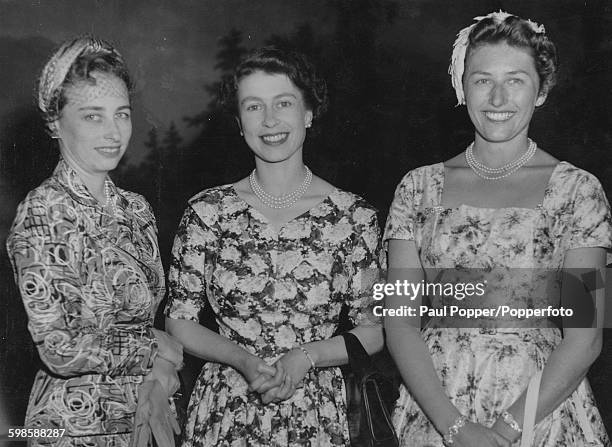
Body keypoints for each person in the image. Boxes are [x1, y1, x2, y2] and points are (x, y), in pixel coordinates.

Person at [384, 11, 611, 447]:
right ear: (461, 86)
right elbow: (400, 326)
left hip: (541, 414)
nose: (498, 97)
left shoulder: (578, 191)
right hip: (435, 412)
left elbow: (585, 338)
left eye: (517, 80)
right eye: (483, 80)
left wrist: (506, 431)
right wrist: (455, 428)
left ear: (541, 90)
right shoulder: (417, 188)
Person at [165, 47, 384, 446]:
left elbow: (373, 331)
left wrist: (306, 357)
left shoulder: (355, 217)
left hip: (315, 413)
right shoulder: (207, 211)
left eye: (283, 103)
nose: (269, 121)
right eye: (253, 107)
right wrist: (244, 361)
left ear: (308, 113)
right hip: (225, 409)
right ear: (238, 122)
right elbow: (179, 320)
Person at [6, 36, 183, 446]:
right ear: (54, 122)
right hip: (71, 428)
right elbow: (59, 347)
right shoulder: (43, 212)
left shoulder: (136, 209)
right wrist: (152, 347)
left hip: (146, 416)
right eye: (92, 116)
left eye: (121, 114)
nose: (113, 132)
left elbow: (150, 324)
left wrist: (159, 373)